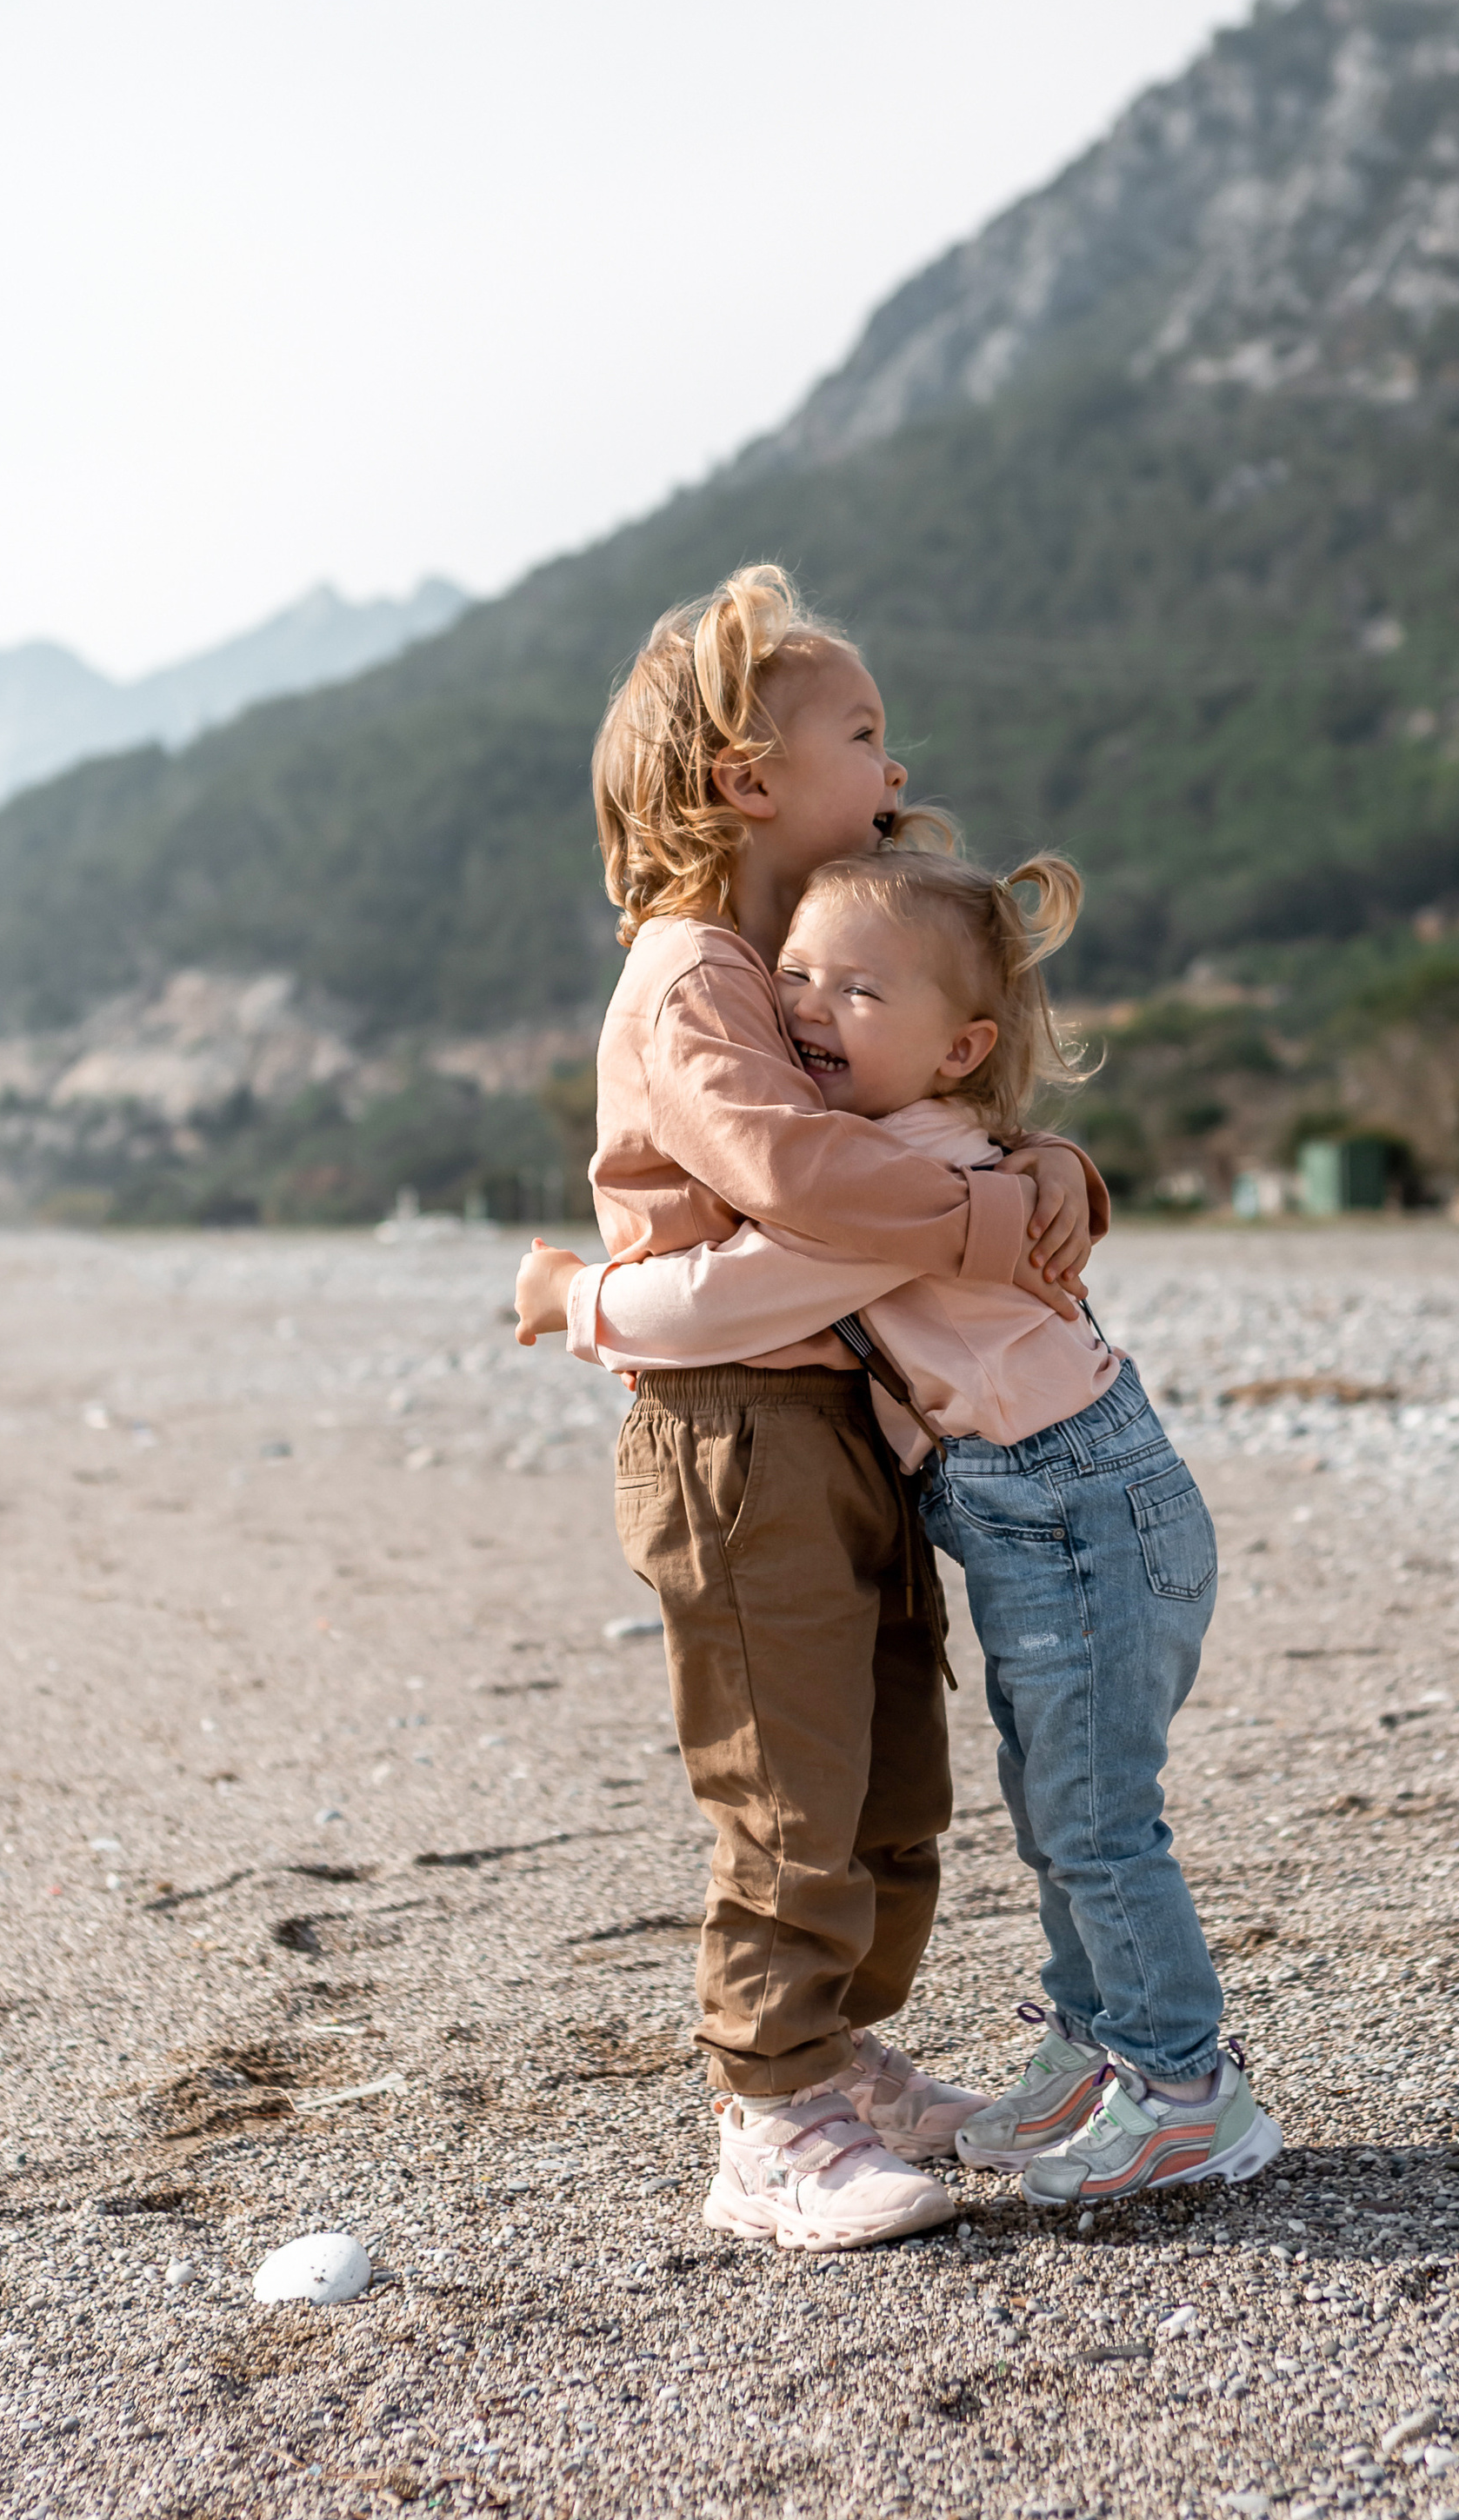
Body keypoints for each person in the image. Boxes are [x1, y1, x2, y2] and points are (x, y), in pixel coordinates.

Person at [516, 841, 1280, 2212]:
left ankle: (1184, 2090)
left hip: (1082, 1507)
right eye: (796, 975)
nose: (808, 1005)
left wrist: (573, 1300)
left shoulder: (900, 1181)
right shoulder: (891, 1157)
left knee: (1099, 1823)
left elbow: (726, 1301)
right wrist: (1049, 1165)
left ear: (958, 1049)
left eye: (858, 992)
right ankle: (1094, 2045)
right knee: (1062, 1815)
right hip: (1044, 1512)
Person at [526, 564, 1106, 2253]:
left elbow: (917, 1104)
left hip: (841, 1421)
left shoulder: (801, 967)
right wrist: (988, 1222)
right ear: (744, 780)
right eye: (860, 732)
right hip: (732, 1435)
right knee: (786, 1785)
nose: (894, 756)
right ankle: (766, 2116)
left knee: (888, 1787)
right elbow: (789, 1175)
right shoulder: (688, 976)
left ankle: (837, 2050)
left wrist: (1039, 1155)